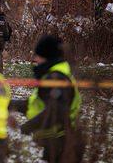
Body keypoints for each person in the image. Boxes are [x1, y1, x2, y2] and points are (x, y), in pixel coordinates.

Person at [10, 35, 83, 163]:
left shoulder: (56, 78)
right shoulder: (53, 76)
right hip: (56, 142)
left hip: (64, 144)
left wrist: (26, 127)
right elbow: (37, 104)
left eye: (37, 55)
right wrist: (10, 104)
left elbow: (56, 112)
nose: (35, 59)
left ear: (47, 56)